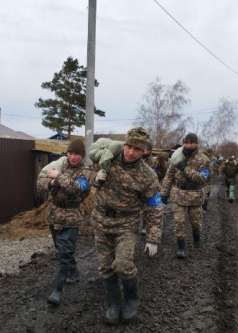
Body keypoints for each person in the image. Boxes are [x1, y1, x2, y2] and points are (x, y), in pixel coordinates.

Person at [92, 127, 163, 325]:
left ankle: (132, 300)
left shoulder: (147, 176)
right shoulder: (107, 159)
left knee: (123, 265)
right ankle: (113, 304)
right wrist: (95, 179)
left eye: (137, 149)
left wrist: (152, 238)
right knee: (106, 267)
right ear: (124, 145)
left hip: (127, 224)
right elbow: (88, 175)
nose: (131, 152)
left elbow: (154, 208)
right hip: (101, 221)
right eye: (129, 146)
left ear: (144, 151)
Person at [36, 138, 95, 306]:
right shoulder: (60, 165)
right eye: (70, 153)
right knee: (62, 249)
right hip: (54, 214)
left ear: (82, 155)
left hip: (71, 217)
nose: (72, 156)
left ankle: (57, 291)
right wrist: (52, 182)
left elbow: (76, 188)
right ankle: (73, 273)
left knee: (63, 253)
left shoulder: (87, 172)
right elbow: (40, 183)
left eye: (76, 153)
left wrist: (58, 177)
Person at [161, 133, 210, 259]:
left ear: (196, 143)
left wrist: (185, 168)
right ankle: (181, 246)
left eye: (191, 143)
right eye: (186, 143)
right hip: (179, 194)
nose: (188, 145)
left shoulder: (204, 160)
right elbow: (169, 176)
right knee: (179, 222)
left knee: (196, 223)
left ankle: (196, 236)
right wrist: (164, 193)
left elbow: (201, 179)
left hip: (195, 195)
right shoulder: (177, 157)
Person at [201, 148, 217, 213]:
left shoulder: (213, 159)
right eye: (208, 152)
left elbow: (211, 165)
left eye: (210, 152)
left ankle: (204, 208)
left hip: (208, 178)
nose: (209, 153)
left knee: (206, 194)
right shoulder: (202, 157)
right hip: (201, 177)